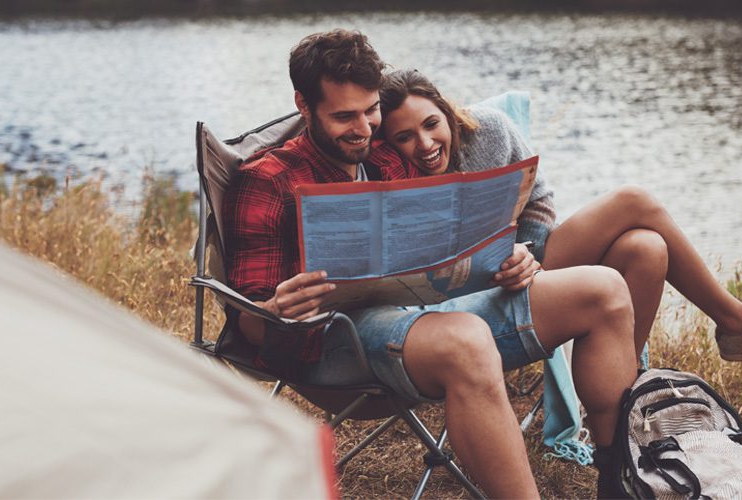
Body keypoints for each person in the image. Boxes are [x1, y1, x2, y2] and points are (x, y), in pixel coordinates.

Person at [222, 29, 637, 498]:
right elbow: (248, 320)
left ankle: (618, 477)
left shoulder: (384, 157)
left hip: (429, 316)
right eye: (344, 116)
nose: (363, 128)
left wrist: (511, 254)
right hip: (336, 341)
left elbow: (452, 243)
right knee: (466, 340)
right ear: (304, 105)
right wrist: (275, 309)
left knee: (603, 289)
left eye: (370, 110)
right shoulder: (267, 181)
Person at [379, 68, 742, 363]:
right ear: (388, 142)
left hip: (532, 260)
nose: (424, 144)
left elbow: (537, 199)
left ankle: (624, 393)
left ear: (445, 111)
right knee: (633, 200)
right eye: (404, 136)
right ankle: (737, 323)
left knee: (646, 247)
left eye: (430, 123)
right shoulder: (392, 177)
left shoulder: (489, 132)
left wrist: (527, 252)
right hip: (470, 294)